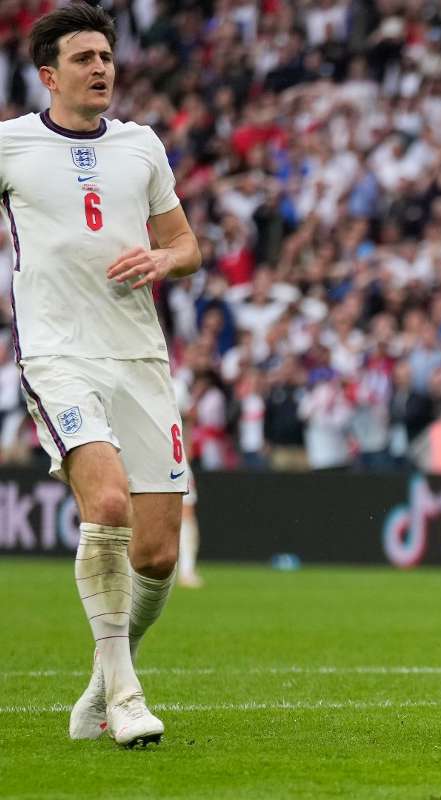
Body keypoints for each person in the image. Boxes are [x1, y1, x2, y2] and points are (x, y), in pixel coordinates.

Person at [9, 4, 201, 747]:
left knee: (156, 551)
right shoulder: (12, 145)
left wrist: (163, 259)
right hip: (58, 356)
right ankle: (126, 698)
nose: (101, 69)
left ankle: (106, 673)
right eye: (84, 58)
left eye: (107, 57)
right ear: (49, 74)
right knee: (109, 502)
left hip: (139, 357)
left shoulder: (141, 146)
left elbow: (186, 244)